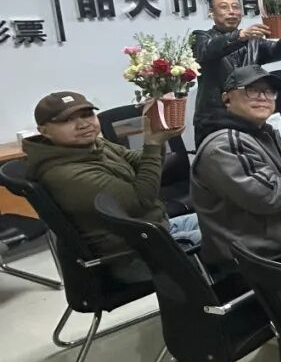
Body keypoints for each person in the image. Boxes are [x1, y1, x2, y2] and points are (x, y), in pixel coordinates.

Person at [23, 91, 201, 282]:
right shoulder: (64, 174)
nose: (83, 124)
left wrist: (158, 137)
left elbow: (142, 162)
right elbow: (141, 201)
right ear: (44, 131)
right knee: (225, 235)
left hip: (156, 231)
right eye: (67, 120)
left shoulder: (93, 145)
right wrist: (152, 143)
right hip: (136, 256)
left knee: (225, 217)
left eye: (87, 115)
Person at [191, 65, 281, 270]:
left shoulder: (260, 133)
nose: (263, 97)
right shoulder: (224, 145)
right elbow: (271, 195)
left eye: (269, 91)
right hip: (259, 264)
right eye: (252, 90)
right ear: (227, 99)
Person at [192, 0, 281, 145]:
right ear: (211, 12)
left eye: (236, 7)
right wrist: (239, 36)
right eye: (224, 7)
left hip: (248, 117)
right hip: (215, 121)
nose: (232, 12)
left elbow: (277, 52)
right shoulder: (200, 37)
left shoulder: (252, 41)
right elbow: (207, 51)